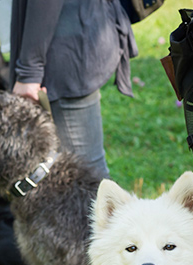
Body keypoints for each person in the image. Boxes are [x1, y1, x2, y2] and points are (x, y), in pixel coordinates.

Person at [9, 0, 137, 180]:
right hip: (71, 40)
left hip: (64, 52)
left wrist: (30, 71)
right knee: (79, 175)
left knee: (85, 177)